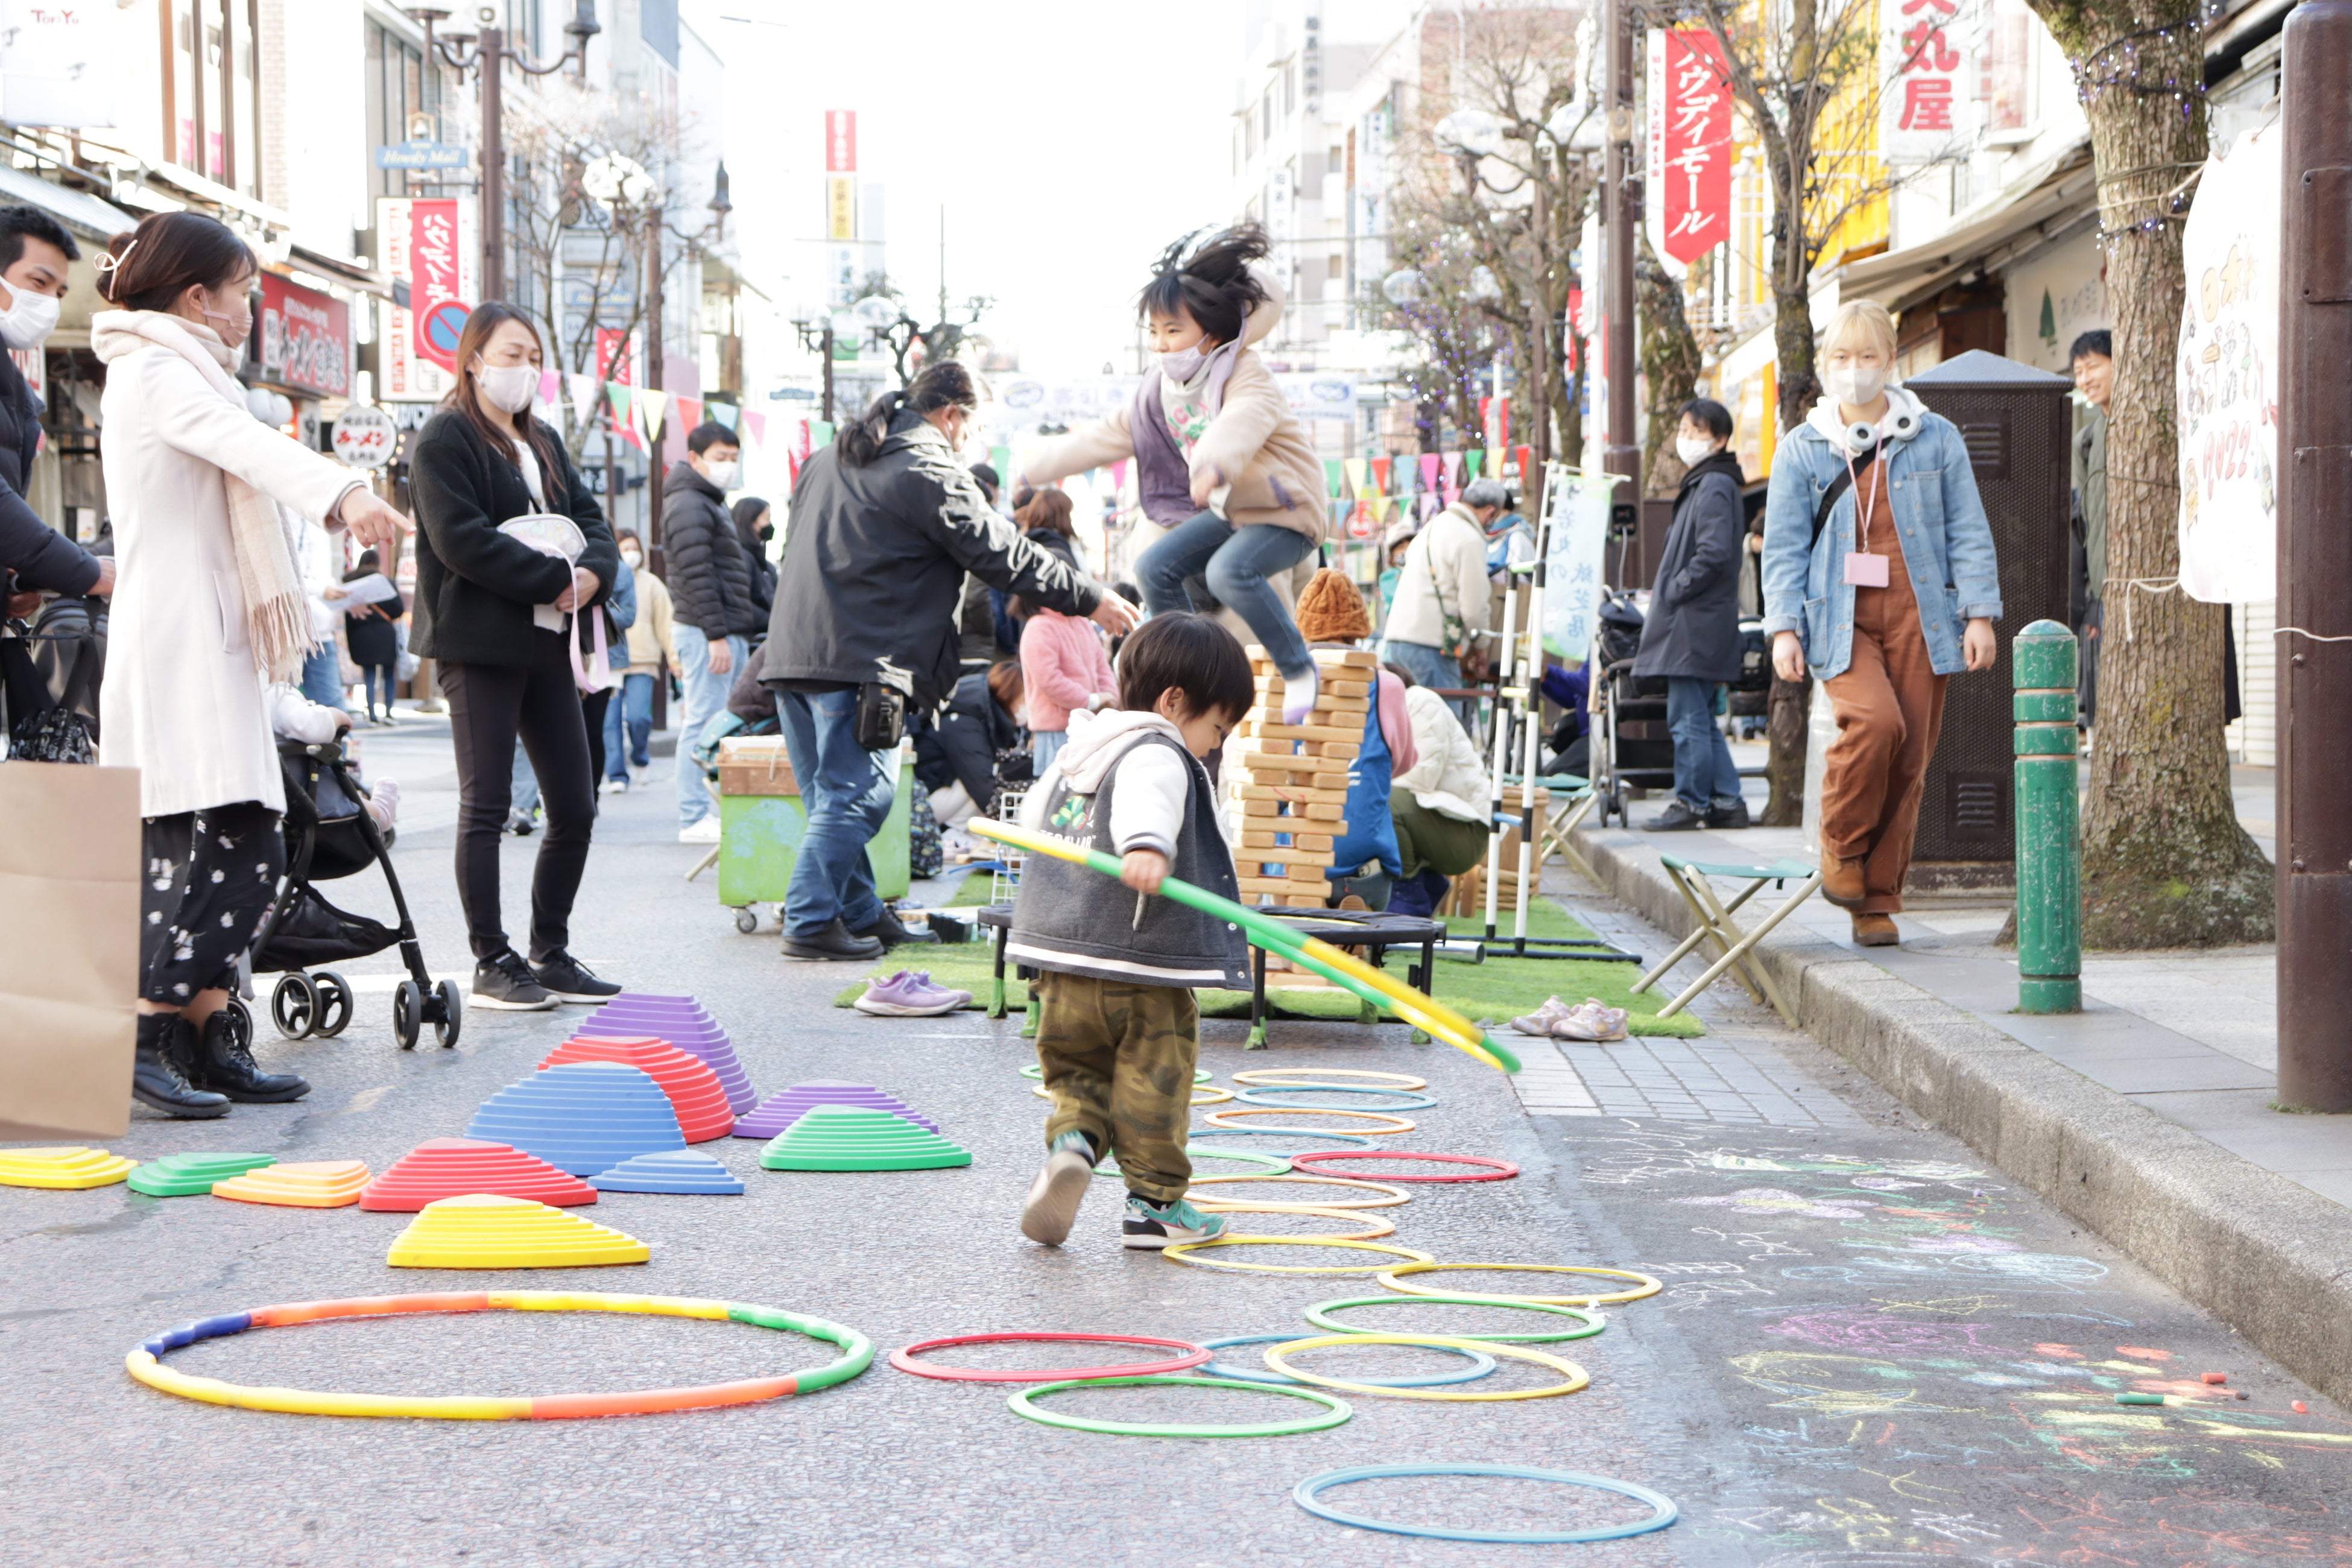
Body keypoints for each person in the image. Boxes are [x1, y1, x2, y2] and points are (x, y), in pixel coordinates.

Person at [91, 209, 406, 1117]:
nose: (250, 309)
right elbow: (248, 447)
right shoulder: (156, 371)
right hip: (181, 643)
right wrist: (344, 490)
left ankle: (208, 1038)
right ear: (198, 297)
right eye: (242, 292)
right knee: (243, 847)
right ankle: (149, 1032)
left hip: (204, 642)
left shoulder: (183, 371)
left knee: (210, 850)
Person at [759, 360, 1136, 962]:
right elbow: (1001, 552)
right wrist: (1090, 597)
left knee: (833, 801)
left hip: (793, 654)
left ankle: (860, 913)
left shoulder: (829, 458)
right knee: (858, 799)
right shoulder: (927, 468)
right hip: (862, 660)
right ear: (953, 415)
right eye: (975, 429)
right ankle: (809, 920)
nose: (972, 442)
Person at [1011, 612, 1254, 1250]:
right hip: (1142, 964)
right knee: (1154, 1082)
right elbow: (1150, 795)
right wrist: (1147, 844)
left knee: (1077, 1072)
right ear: (1174, 702)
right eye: (1216, 728)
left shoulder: (1080, 748)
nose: (1213, 747)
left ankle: (1074, 1143)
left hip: (1061, 961)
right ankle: (1154, 1206)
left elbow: (1035, 821)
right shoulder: (1156, 749)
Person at [1763, 299, 2000, 947]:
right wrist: (1783, 628)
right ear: (1825, 363)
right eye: (1842, 356)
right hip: (1838, 618)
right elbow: (1783, 547)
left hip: (1923, 614)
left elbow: (1969, 530)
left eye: (1868, 355)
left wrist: (1980, 614)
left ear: (1891, 360)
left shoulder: (1935, 436)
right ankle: (1840, 845)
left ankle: (1876, 899)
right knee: (1875, 724)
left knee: (1911, 755)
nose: (1855, 368)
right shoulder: (1803, 447)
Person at [1020, 224, 1327, 724]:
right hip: (1232, 512)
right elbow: (1103, 436)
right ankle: (1186, 664)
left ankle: (1298, 669)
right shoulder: (1158, 393)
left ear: (1211, 333)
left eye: (1174, 331)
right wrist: (1031, 470)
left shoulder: (1245, 372)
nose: (1162, 346)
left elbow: (1242, 420)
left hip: (1286, 510)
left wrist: (1211, 465)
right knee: (1153, 567)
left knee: (1229, 572)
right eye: (1155, 333)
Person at [409, 301, 622, 1008]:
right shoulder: (445, 437)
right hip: (479, 642)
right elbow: (460, 539)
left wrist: (593, 574)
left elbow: (593, 523)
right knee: (487, 805)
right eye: (510, 354)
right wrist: (556, 578)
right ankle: (492, 959)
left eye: (533, 357)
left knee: (576, 804)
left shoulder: (545, 440)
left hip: (550, 639)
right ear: (473, 359)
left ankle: (549, 951)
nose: (524, 369)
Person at [1637, 397, 1751, 832]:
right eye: (1683, 429)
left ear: (1719, 440)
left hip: (1694, 622)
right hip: (1700, 621)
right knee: (1698, 717)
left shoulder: (1713, 484)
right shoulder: (1710, 481)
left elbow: (1714, 553)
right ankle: (1727, 801)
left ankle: (1692, 803)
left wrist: (1675, 588)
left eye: (1695, 431)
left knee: (1687, 718)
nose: (1685, 438)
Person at [0, 205, 113, 620]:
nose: (49, 303)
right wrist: (84, 571)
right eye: (38, 282)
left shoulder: (12, 382)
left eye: (59, 293)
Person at [1289, 570, 1416, 908]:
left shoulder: (1279, 683)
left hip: (1291, 862)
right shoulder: (1386, 685)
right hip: (1365, 866)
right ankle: (1354, 908)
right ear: (1359, 631)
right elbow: (1403, 761)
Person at [664, 420, 762, 842]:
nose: (728, 465)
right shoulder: (690, 502)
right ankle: (692, 816)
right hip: (707, 631)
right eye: (720, 457)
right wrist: (715, 635)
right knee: (703, 721)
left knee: (717, 720)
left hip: (719, 629)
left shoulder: (707, 500)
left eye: (734, 458)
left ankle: (705, 812)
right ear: (695, 458)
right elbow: (696, 573)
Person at [1385, 476, 1506, 723]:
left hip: (1397, 642)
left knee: (1408, 727)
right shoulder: (1468, 538)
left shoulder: (1431, 527)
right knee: (1443, 727)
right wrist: (1482, 646)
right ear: (1490, 512)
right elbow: (1474, 606)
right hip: (1431, 647)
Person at [1014, 491, 1115, 778]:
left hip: (1089, 727)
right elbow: (1050, 680)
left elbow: (1102, 664)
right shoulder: (1039, 627)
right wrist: (1093, 700)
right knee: (1055, 795)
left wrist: (1110, 697)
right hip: (1055, 731)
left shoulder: (1081, 623)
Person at [1386, 662, 1492, 919]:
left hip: (1466, 830)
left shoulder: (1421, 701)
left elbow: (1420, 777)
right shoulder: (1392, 710)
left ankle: (1408, 896)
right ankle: (1429, 884)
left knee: (1382, 803)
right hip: (1440, 820)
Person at [913, 659, 1028, 830]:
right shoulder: (965, 723)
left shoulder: (980, 714)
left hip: (942, 792)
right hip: (926, 802)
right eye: (1026, 699)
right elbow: (983, 789)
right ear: (1010, 694)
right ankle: (954, 834)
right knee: (985, 778)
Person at [604, 531, 672, 791]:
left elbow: (666, 624)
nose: (631, 554)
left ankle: (640, 757)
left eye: (635, 548)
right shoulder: (607, 578)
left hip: (643, 661)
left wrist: (674, 658)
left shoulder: (652, 584)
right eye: (625, 548)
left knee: (639, 718)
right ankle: (617, 776)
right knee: (610, 723)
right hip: (611, 661)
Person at [2069, 329, 2111, 728]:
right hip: (2104, 595)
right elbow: (2087, 529)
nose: (2085, 379)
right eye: (2079, 372)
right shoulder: (2086, 441)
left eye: (2093, 367)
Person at [343, 548, 403, 724]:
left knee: (369, 676)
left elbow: (347, 612)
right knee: (389, 674)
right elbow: (398, 609)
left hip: (361, 634)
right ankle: (389, 713)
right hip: (385, 634)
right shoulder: (386, 583)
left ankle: (372, 716)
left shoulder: (350, 583)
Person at [732, 495, 777, 620]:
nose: (770, 524)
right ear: (750, 522)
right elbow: (742, 603)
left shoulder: (764, 563)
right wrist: (771, 621)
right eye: (767, 518)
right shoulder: (743, 557)